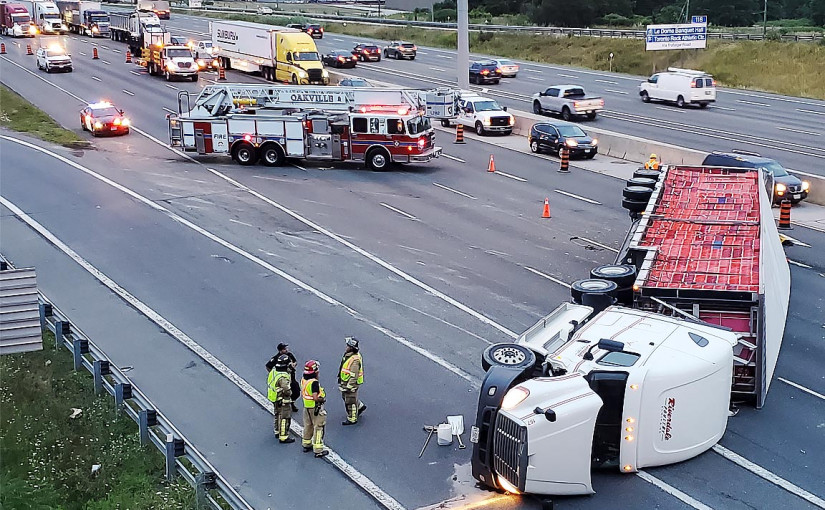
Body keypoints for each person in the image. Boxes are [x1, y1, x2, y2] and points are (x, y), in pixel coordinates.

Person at [301, 360, 329, 458]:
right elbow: (315, 397)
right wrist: (322, 399)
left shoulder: (304, 380)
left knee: (308, 425)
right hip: (315, 408)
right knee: (319, 427)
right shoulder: (314, 383)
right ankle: (318, 450)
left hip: (307, 407)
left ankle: (306, 444)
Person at [267, 354, 295, 444]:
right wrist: (290, 394)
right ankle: (283, 436)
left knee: (277, 414)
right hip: (282, 399)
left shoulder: (274, 371)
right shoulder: (283, 377)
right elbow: (287, 390)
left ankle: (277, 431)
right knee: (284, 417)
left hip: (274, 397)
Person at [338, 336, 366, 426]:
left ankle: (352, 418)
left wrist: (349, 387)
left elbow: (354, 375)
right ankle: (359, 406)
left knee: (350, 401)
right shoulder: (349, 355)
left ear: (352, 348)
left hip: (350, 384)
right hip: (345, 382)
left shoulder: (355, 360)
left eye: (348, 346)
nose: (346, 347)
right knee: (347, 398)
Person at [266, 343, 299, 412]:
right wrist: (273, 373)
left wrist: (293, 365)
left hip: (291, 378)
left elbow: (295, 361)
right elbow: (268, 366)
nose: (286, 350)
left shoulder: (289, 355)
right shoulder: (276, 358)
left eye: (286, 348)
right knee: (284, 393)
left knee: (296, 392)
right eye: (284, 349)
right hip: (282, 379)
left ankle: (292, 402)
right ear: (280, 350)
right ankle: (282, 407)